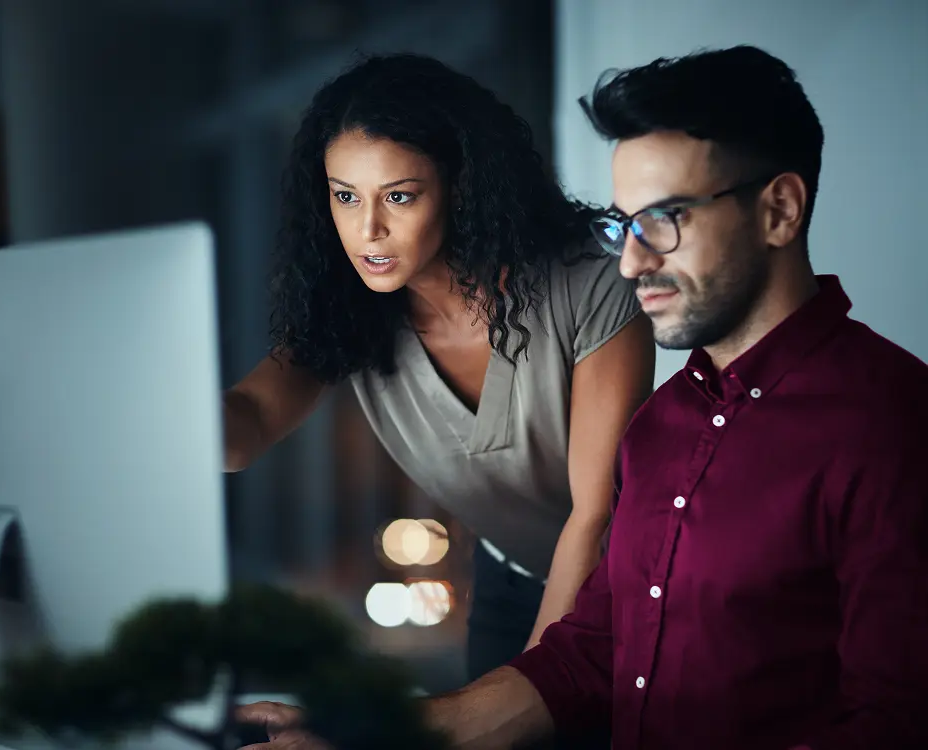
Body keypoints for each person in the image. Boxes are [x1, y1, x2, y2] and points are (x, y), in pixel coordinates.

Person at [237, 45, 928, 750]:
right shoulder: (664, 431)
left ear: (779, 210)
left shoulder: (890, 423)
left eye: (666, 218)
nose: (630, 262)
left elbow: (898, 717)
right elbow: (580, 661)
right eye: (627, 224)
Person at [222, 53, 654, 685]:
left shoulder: (590, 283)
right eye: (345, 197)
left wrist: (525, 692)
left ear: (461, 186)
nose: (368, 229)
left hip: (630, 589)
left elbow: (596, 518)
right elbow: (246, 427)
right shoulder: (352, 317)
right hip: (510, 583)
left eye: (399, 196)